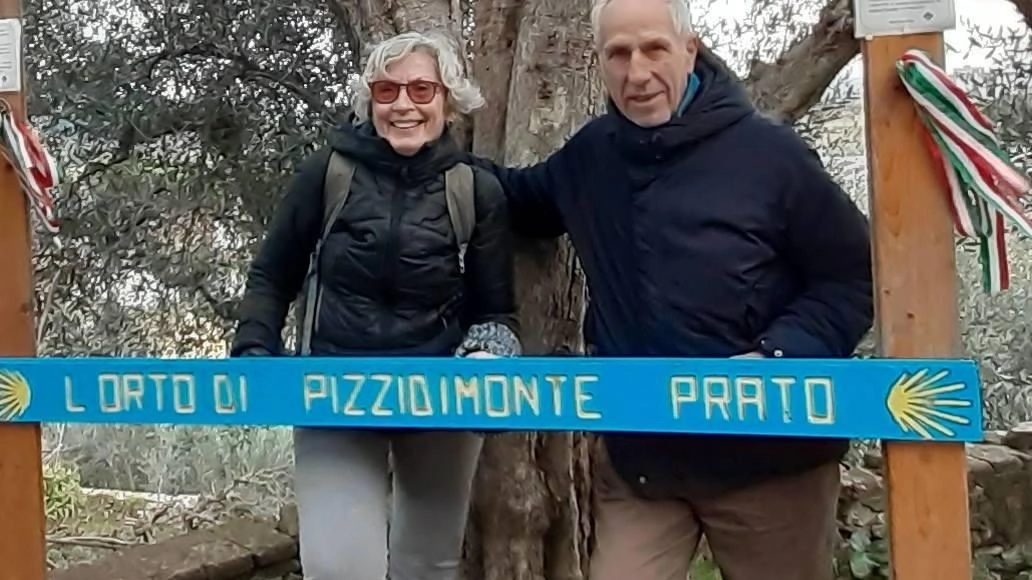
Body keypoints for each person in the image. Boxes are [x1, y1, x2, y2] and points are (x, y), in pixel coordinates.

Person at [467, 0, 873, 579]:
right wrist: (425, 160)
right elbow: (518, 198)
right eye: (619, 54)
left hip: (771, 467)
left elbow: (853, 274)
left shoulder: (771, 156)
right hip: (644, 466)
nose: (637, 73)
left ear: (690, 49)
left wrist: (781, 353)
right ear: (600, 61)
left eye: (654, 49)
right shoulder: (592, 157)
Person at [229, 31, 521, 580]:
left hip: (438, 402)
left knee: (428, 566)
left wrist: (489, 353)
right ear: (370, 100)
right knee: (340, 569)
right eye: (387, 91)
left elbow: (495, 312)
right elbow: (273, 273)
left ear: (448, 100)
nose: (404, 104)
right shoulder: (328, 172)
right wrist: (254, 348)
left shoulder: (475, 190)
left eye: (420, 89)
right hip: (333, 395)